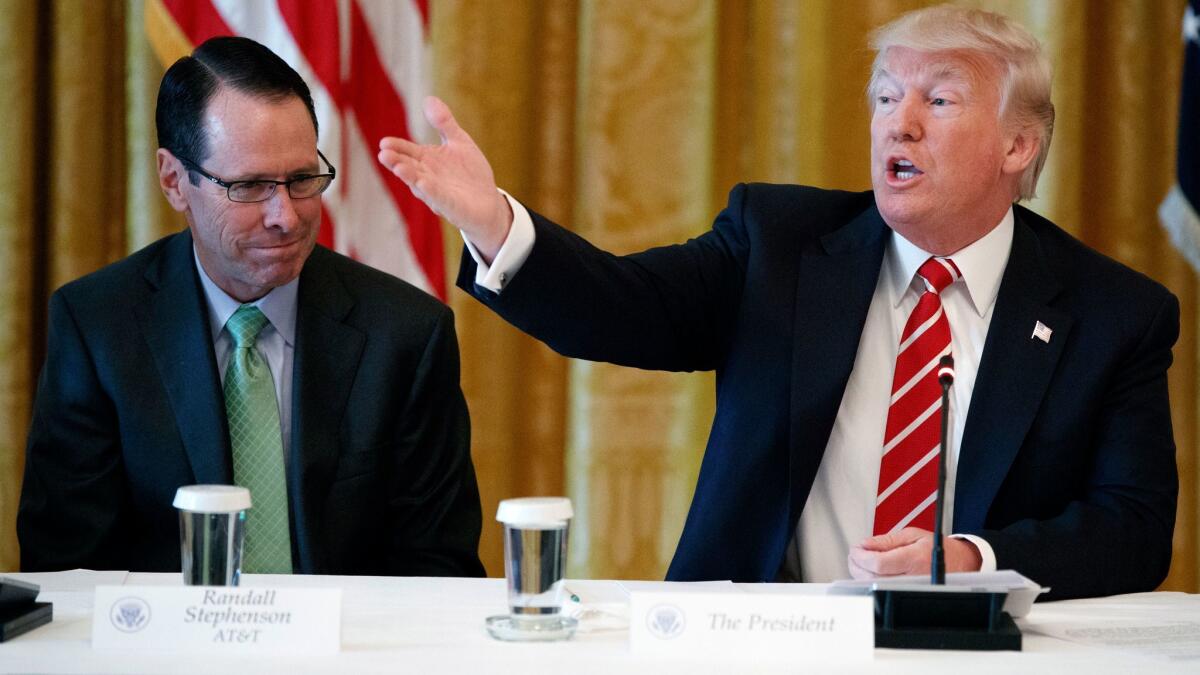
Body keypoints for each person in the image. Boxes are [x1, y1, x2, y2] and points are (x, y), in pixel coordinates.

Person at [377, 6, 1179, 599]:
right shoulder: (781, 246)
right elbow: (624, 305)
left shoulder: (1113, 314)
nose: (898, 125)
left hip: (975, 652)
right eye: (884, 96)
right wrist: (494, 224)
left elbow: (1134, 533)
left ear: (1017, 146)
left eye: (937, 102)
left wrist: (970, 558)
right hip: (771, 636)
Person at [19, 36, 485, 578]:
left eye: (302, 179)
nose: (285, 216)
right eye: (250, 186)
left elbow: (437, 574)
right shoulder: (97, 328)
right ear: (175, 181)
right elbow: (67, 575)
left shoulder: (405, 334)